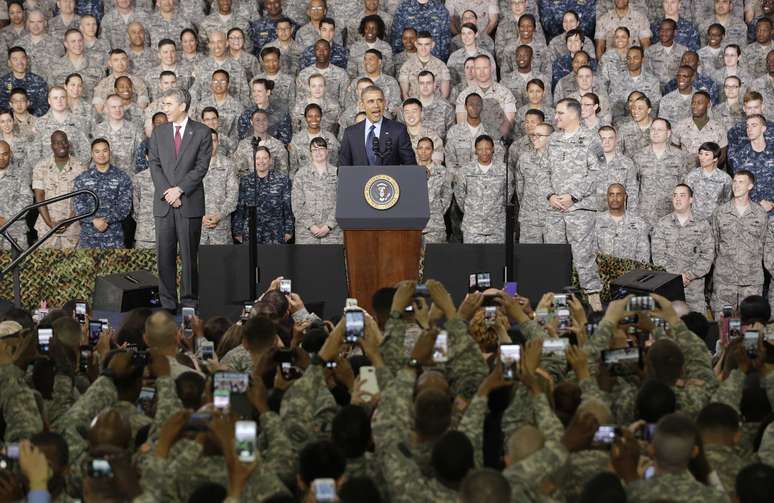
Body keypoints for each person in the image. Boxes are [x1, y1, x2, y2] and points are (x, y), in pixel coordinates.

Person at [148, 87, 212, 313]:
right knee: (164, 255)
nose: (164, 108)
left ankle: (189, 301)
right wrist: (168, 191)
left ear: (182, 106)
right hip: (165, 203)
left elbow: (201, 167)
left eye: (168, 104)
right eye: (164, 104)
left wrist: (180, 190)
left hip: (189, 203)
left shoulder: (202, 132)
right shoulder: (158, 132)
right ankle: (167, 302)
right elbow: (154, 164)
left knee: (188, 255)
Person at [651, 184, 715, 330]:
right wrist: (676, 276)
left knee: (698, 332)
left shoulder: (703, 225)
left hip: (694, 289)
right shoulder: (662, 224)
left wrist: (689, 275)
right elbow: (658, 255)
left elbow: (708, 255)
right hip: (669, 288)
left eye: (682, 195)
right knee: (669, 330)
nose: (677, 199)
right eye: (675, 195)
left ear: (691, 199)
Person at [711, 170, 773, 317]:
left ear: (750, 186)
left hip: (751, 280)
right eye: (734, 181)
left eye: (741, 182)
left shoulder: (760, 214)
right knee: (724, 324)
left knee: (751, 326)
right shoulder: (720, 212)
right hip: (724, 281)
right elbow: (714, 243)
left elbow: (765, 244)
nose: (736, 185)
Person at [73, 138, 133, 249]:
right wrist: (93, 220)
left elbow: (125, 206)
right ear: (92, 154)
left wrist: (106, 220)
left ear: (110, 152)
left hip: (114, 236)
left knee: (115, 266)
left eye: (105, 151)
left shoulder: (122, 177)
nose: (101, 154)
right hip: (89, 237)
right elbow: (78, 205)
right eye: (97, 151)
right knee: (88, 266)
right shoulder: (82, 179)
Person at [32, 130, 85, 249]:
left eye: (64, 141)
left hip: (73, 228)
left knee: (73, 265)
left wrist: (68, 221)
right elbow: (39, 197)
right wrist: (50, 223)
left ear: (68, 144)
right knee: (47, 266)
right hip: (47, 229)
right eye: (56, 143)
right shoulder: (41, 167)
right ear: (52, 146)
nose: (61, 145)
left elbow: (82, 199)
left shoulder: (80, 167)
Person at [455, 134, 513, 243]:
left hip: (496, 226)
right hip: (473, 227)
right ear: (475, 150)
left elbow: (508, 194)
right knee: (472, 259)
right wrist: (473, 210)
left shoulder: (504, 170)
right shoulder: (465, 171)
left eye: (487, 149)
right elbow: (460, 196)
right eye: (480, 149)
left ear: (493, 149)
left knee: (496, 259)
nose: (484, 152)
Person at [339, 85, 416, 166]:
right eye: (371, 101)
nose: (376, 105)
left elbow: (410, 165)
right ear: (362, 105)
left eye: (380, 100)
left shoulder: (398, 130)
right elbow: (343, 169)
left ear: (385, 103)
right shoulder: (350, 133)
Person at [233, 146, 293, 244]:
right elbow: (240, 208)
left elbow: (287, 207)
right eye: (258, 158)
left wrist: (289, 230)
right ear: (254, 161)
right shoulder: (245, 181)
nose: (261, 161)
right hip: (250, 232)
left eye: (265, 158)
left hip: (275, 232)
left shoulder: (282, 180)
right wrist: (238, 231)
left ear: (270, 160)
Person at [291, 137, 341, 244]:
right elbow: (297, 204)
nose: (318, 152)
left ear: (327, 151)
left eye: (321, 148)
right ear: (310, 153)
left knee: (333, 260)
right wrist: (312, 226)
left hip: (333, 233)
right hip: (306, 233)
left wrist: (329, 226)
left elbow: (342, 202)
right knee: (307, 261)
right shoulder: (301, 175)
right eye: (314, 149)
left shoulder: (338, 173)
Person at [593, 183, 650, 263]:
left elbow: (643, 254)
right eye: (611, 195)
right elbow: (592, 252)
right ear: (607, 197)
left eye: (618, 195)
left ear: (625, 197)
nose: (614, 198)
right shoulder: (596, 221)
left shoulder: (638, 223)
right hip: (604, 272)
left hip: (631, 273)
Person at [201, 130, 239, 246]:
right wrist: (201, 216)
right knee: (198, 263)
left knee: (223, 263)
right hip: (199, 228)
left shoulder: (228, 165)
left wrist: (219, 216)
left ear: (218, 142)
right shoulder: (193, 165)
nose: (210, 144)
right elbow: (187, 196)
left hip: (221, 229)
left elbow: (233, 196)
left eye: (213, 141)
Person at [682, 142, 732, 221]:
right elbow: (686, 200)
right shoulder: (691, 176)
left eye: (706, 154)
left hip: (716, 222)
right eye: (700, 154)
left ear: (715, 158)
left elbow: (727, 201)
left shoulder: (725, 178)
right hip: (695, 223)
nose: (702, 157)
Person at [416, 136, 451, 244]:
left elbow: (447, 195)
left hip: (435, 226)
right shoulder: (409, 170)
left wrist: (437, 210)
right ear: (416, 150)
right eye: (420, 148)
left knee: (433, 259)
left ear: (432, 151)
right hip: (413, 226)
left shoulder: (442, 171)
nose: (423, 151)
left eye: (427, 148)